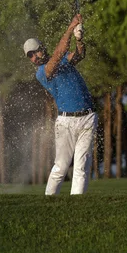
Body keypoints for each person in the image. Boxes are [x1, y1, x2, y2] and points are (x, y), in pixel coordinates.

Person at [24, 13, 97, 195]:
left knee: (82, 167)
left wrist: (79, 39)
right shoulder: (43, 72)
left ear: (42, 48)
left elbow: (79, 55)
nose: (33, 57)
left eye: (34, 52)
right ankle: (49, 204)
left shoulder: (63, 61)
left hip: (88, 118)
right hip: (66, 123)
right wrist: (71, 26)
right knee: (61, 167)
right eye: (30, 56)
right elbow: (59, 53)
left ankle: (76, 206)